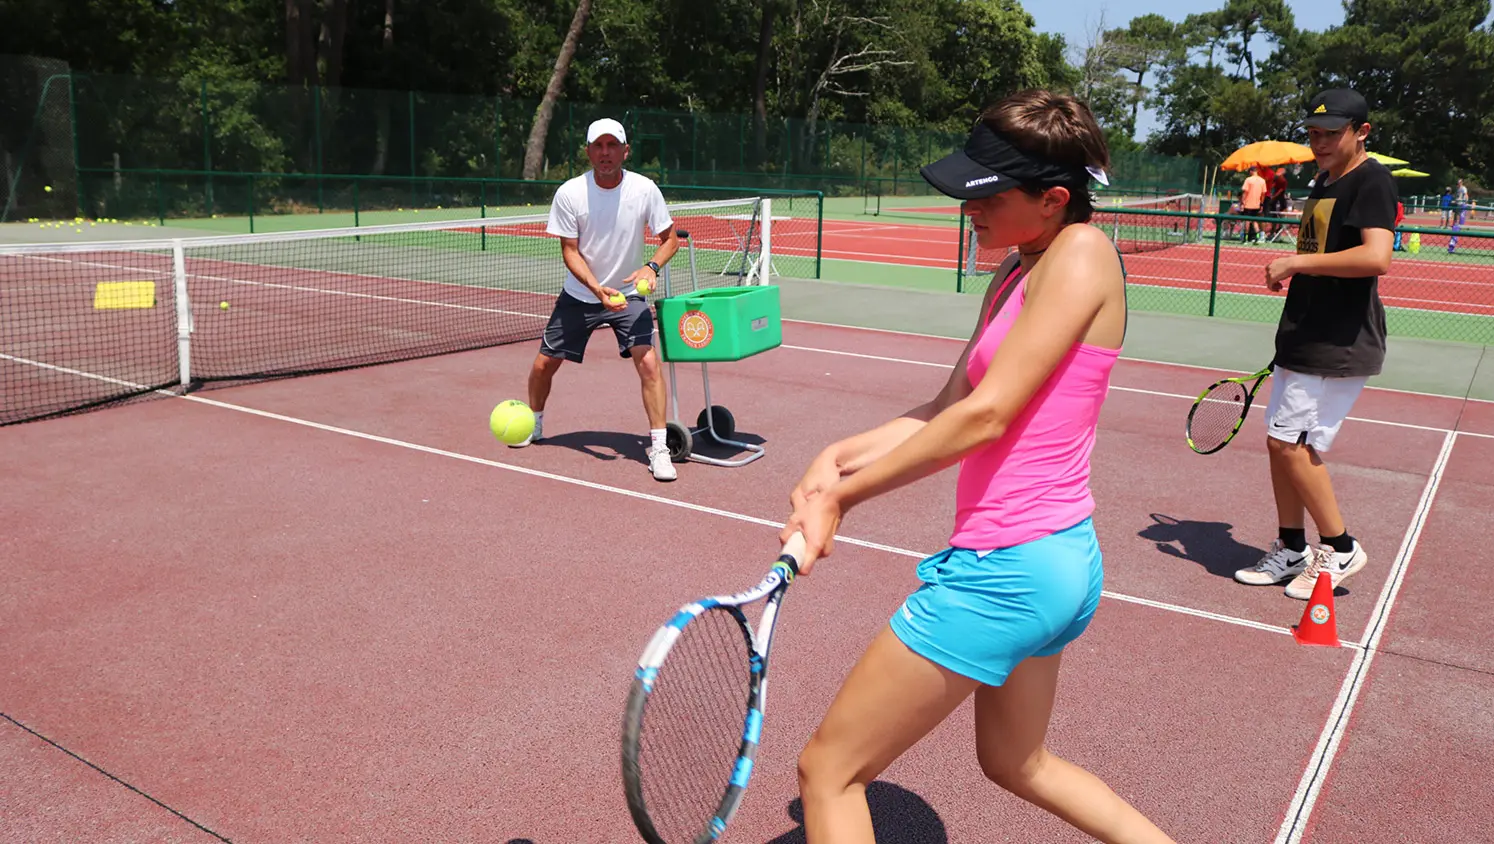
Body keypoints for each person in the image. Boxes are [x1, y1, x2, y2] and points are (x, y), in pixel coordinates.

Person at [779, 89, 1175, 844]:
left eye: (987, 196)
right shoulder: (1015, 272)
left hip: (1011, 568)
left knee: (827, 773)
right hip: (1052, 561)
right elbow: (947, 404)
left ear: (1055, 200)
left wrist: (847, 499)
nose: (971, 211)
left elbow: (988, 418)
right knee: (1019, 763)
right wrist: (838, 456)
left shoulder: (1083, 253)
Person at [1236, 88, 1397, 600]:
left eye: (1331, 133)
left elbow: (1377, 258)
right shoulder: (1324, 180)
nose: (1319, 141)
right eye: (1312, 133)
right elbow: (1321, 250)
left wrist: (1296, 262)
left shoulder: (1372, 179)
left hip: (1340, 339)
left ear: (1362, 132)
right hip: (1305, 332)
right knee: (1276, 443)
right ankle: (1291, 548)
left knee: (1292, 446)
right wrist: (1295, 266)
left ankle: (1342, 547)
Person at [516, 117, 681, 482]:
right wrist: (596, 290)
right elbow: (570, 251)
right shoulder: (570, 193)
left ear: (626, 150)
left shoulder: (644, 189)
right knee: (544, 365)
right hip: (581, 294)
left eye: (612, 146)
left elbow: (670, 239)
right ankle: (535, 422)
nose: (605, 153)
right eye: (598, 146)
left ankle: (659, 447)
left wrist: (651, 268)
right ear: (588, 151)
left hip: (628, 294)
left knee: (650, 363)